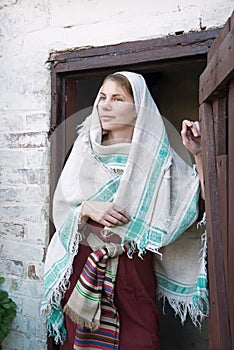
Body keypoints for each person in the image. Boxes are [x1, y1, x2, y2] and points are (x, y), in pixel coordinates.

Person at [41, 71, 209, 350]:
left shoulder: (158, 160)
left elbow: (196, 204)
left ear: (139, 108)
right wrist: (86, 209)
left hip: (134, 270)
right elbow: (63, 211)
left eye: (117, 98)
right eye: (102, 97)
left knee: (140, 342)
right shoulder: (83, 150)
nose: (105, 105)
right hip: (84, 266)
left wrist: (199, 154)